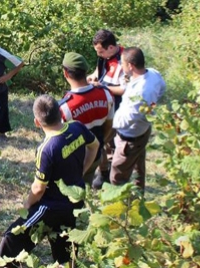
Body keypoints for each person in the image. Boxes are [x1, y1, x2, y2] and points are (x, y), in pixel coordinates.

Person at [0, 95, 99, 268]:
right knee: (65, 237)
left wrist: (27, 205)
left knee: (15, 234)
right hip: (75, 199)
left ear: (37, 122)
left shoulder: (47, 148)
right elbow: (94, 145)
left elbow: (38, 188)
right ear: (61, 113)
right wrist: (82, 171)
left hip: (51, 205)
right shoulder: (77, 127)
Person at [111, 47, 166, 194]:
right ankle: (138, 195)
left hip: (129, 137)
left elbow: (129, 119)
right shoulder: (153, 74)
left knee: (117, 176)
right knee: (138, 166)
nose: (121, 67)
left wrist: (112, 122)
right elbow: (162, 88)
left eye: (122, 64)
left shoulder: (142, 90)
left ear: (131, 66)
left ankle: (121, 207)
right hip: (143, 131)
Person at [59, 52, 114, 185]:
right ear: (85, 72)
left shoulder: (65, 107)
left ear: (66, 73)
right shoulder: (105, 94)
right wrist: (99, 144)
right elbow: (109, 126)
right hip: (95, 156)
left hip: (75, 161)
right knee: (86, 188)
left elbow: (61, 142)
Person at [86, 29, 127, 189]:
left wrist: (102, 86)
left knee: (110, 141)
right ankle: (103, 172)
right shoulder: (105, 56)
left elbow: (125, 89)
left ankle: (111, 176)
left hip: (117, 107)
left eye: (101, 51)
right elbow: (101, 72)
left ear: (111, 47)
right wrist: (93, 76)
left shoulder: (125, 61)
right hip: (103, 103)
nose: (99, 55)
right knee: (102, 140)